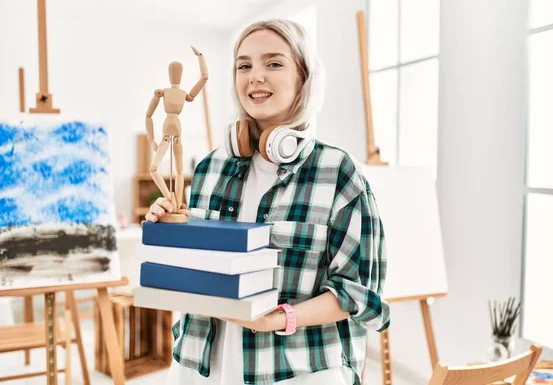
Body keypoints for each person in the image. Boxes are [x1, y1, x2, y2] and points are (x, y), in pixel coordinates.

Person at [144, 19, 390, 385]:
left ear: (304, 78)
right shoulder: (212, 166)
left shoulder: (337, 172)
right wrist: (169, 228)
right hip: (200, 368)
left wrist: (278, 318)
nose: (255, 76)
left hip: (296, 373)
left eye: (273, 63)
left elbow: (361, 296)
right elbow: (197, 270)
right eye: (244, 66)